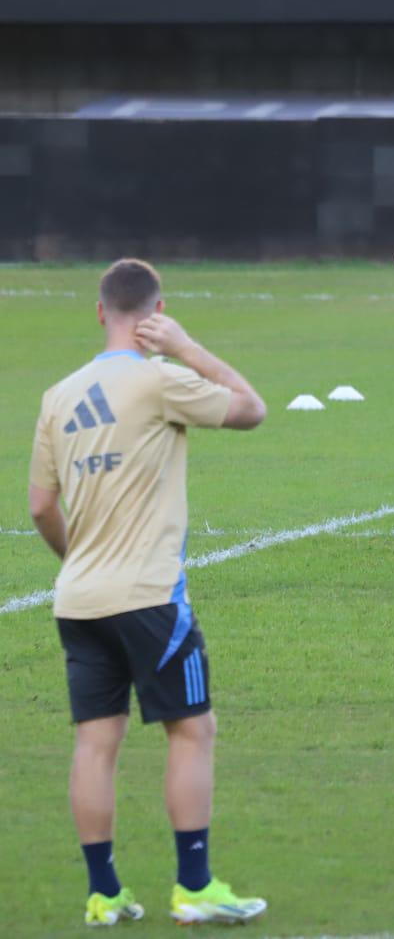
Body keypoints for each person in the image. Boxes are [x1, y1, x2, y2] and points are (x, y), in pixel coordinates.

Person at [28, 259, 269, 925]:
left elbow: (40, 505)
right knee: (192, 731)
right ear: (156, 311)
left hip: (77, 600)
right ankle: (194, 887)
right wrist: (188, 349)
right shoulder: (161, 380)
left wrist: (76, 560)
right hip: (149, 598)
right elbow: (252, 409)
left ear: (100, 311)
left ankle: (103, 895)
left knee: (94, 743)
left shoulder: (58, 395)